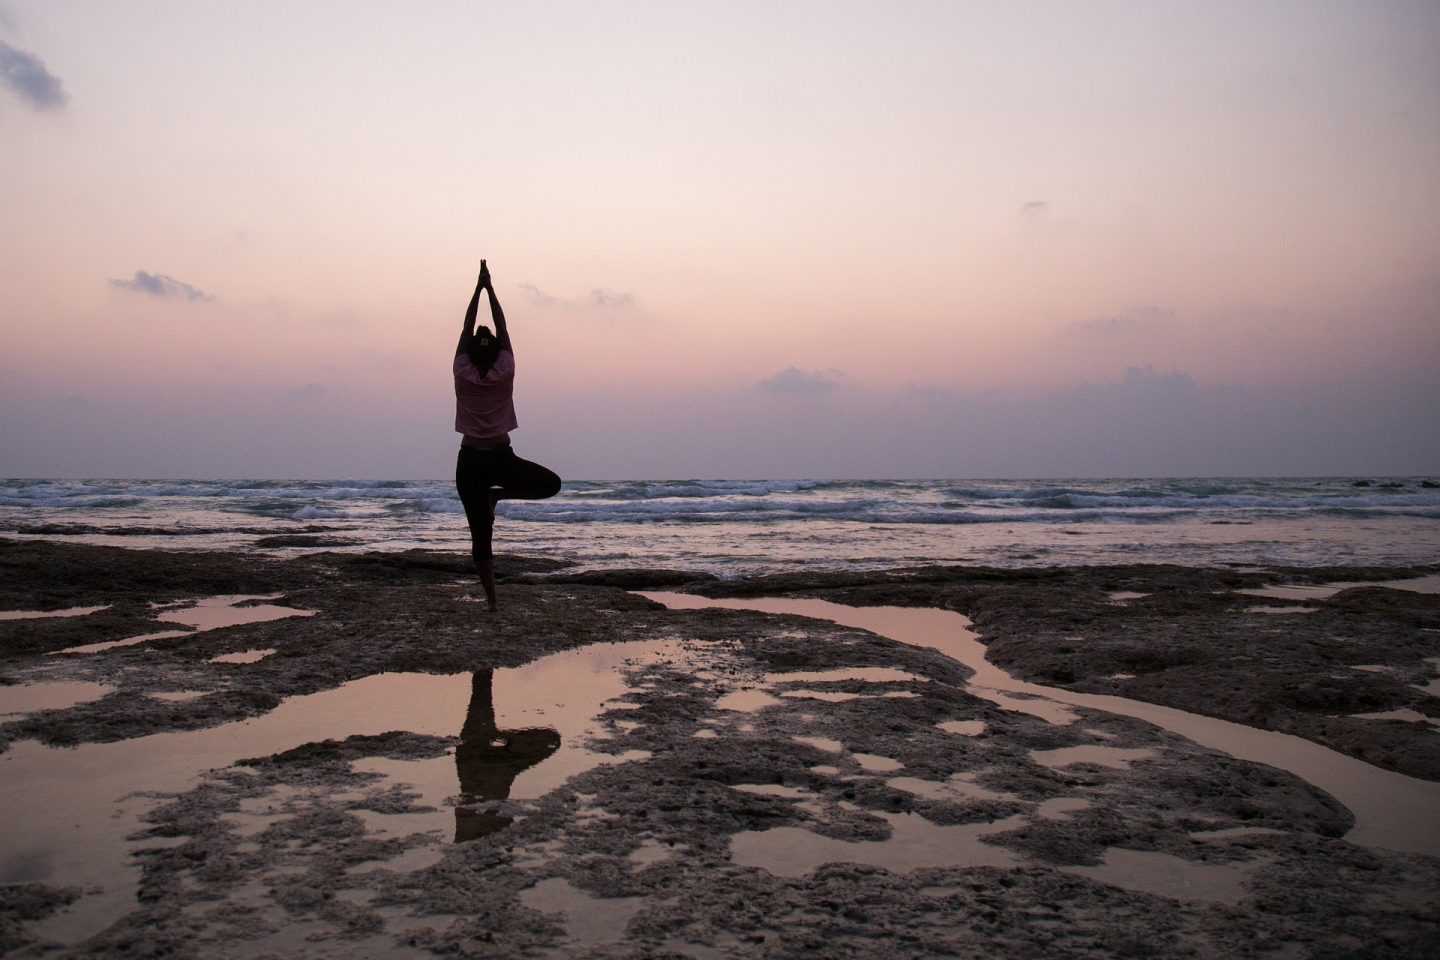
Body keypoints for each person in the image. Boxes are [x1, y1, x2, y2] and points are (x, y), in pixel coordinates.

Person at [454, 260, 561, 611]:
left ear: (470, 350)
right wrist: (490, 289)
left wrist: (477, 290)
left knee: (481, 537)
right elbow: (502, 326)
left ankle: (493, 603)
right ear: (496, 350)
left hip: (470, 461)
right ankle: (498, 497)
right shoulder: (505, 368)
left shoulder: (462, 369)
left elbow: (467, 327)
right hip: (500, 458)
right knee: (551, 484)